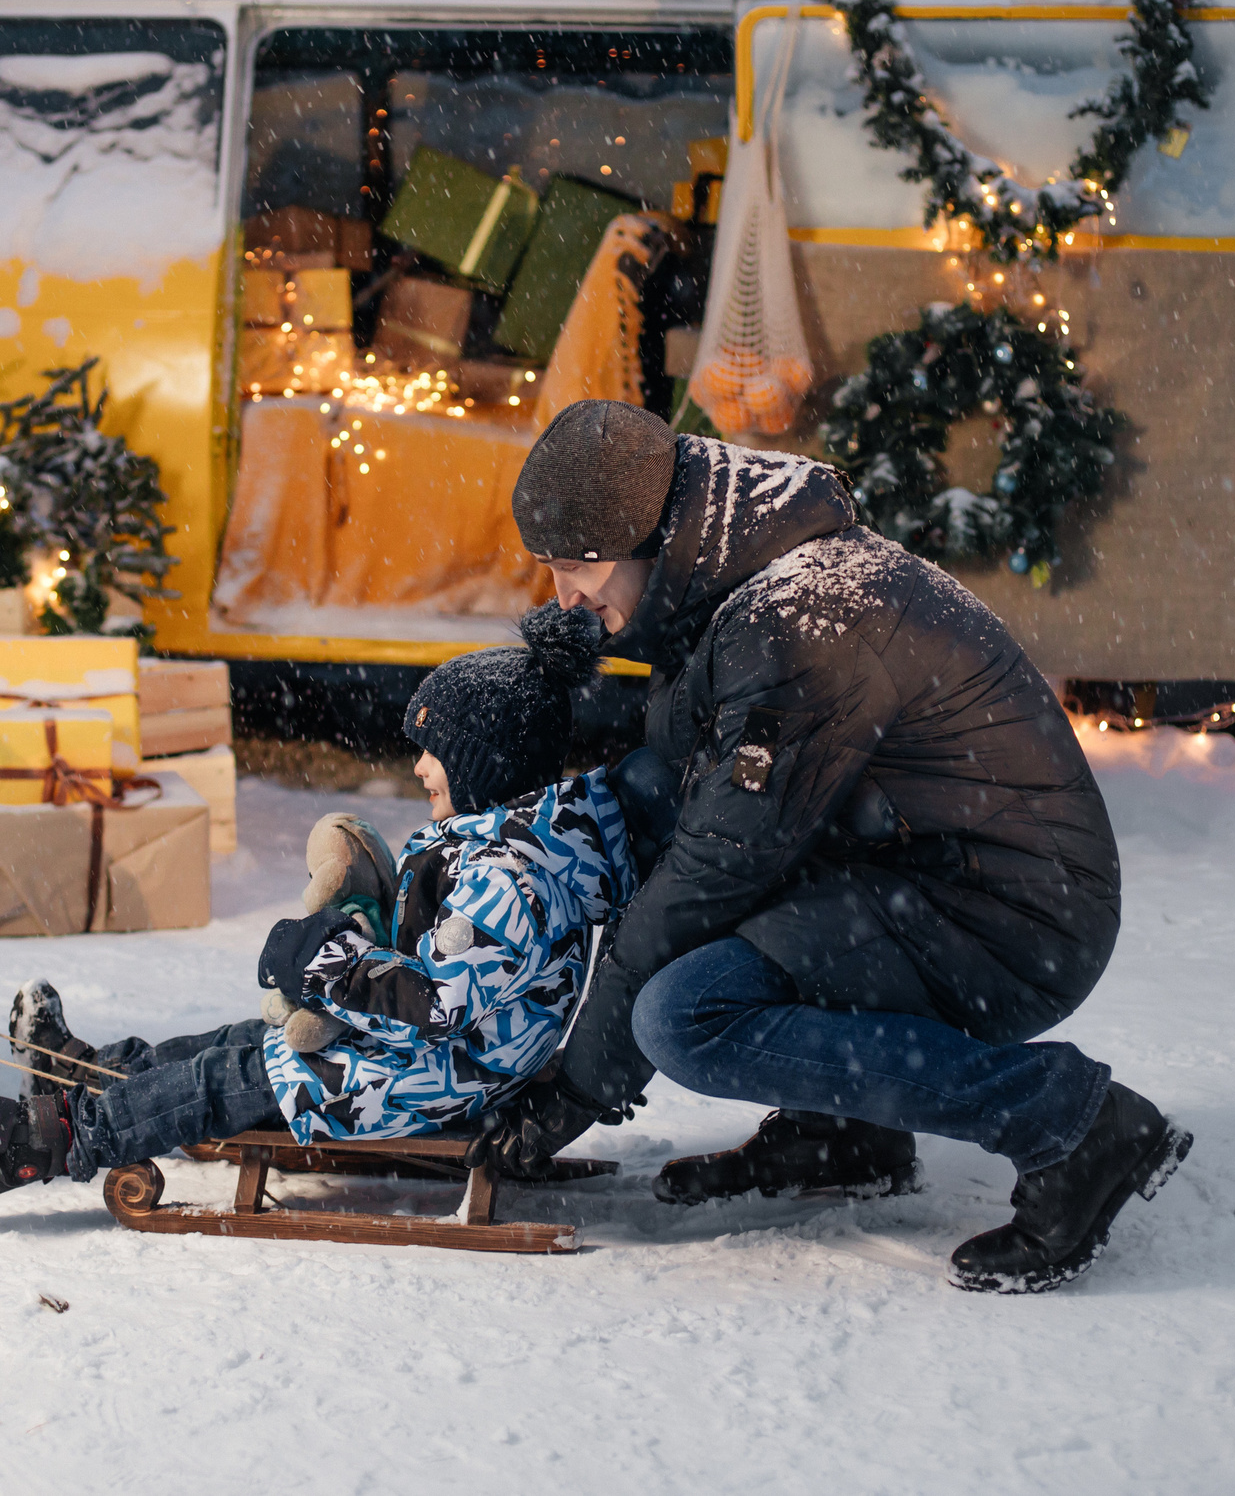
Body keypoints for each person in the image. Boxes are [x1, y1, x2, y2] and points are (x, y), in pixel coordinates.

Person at [473, 400, 1190, 1294]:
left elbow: (720, 863)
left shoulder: (798, 622)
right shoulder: (744, 581)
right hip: (913, 868)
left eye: (579, 565)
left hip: (1011, 917)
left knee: (683, 1016)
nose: (566, 596)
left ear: (651, 534)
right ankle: (844, 1133)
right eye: (552, 568)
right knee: (651, 794)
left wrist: (578, 1086)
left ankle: (1070, 1122)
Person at [0, 604, 639, 1197]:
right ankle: (88, 1076)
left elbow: (436, 1007)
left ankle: (35, 1145)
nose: (420, 764)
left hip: (432, 1078)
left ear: (489, 764)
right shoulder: (500, 846)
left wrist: (324, 959)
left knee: (231, 1075)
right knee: (236, 1042)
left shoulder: (511, 880)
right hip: (422, 1059)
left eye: (435, 750)